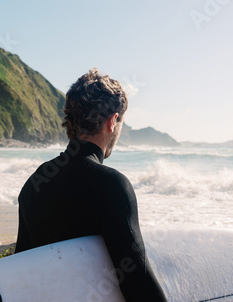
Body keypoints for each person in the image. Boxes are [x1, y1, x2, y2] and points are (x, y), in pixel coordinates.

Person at [15, 68, 167, 301]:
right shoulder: (112, 185)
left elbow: (19, 273)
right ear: (112, 121)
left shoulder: (34, 183)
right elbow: (140, 286)